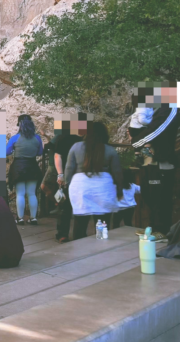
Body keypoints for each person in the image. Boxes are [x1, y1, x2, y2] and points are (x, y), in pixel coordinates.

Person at [64, 121, 123, 240]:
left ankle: (79, 247)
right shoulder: (110, 150)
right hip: (103, 187)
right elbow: (117, 172)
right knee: (102, 223)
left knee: (80, 222)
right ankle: (101, 246)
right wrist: (120, 189)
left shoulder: (76, 147)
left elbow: (69, 168)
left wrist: (66, 184)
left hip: (80, 186)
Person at [133, 100, 178, 236]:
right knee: (149, 195)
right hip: (148, 160)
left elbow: (160, 127)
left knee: (161, 196)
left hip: (162, 159)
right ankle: (152, 227)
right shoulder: (151, 107)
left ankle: (162, 230)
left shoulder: (171, 106)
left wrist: (137, 140)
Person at [50, 123, 84, 243]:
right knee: (80, 205)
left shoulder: (63, 138)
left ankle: (62, 234)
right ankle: (79, 234)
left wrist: (60, 174)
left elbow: (57, 156)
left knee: (65, 206)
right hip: (80, 175)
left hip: (67, 175)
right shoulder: (83, 140)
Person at [7, 116, 43, 225]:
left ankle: (20, 218)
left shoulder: (15, 138)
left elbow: (7, 152)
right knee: (32, 194)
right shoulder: (37, 138)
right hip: (32, 166)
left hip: (18, 167)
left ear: (20, 125)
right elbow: (40, 152)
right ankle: (33, 218)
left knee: (20, 194)